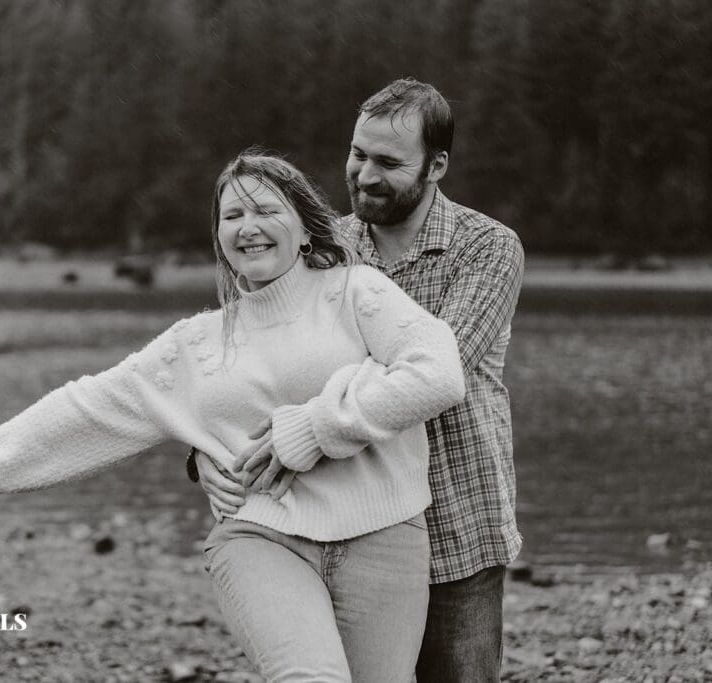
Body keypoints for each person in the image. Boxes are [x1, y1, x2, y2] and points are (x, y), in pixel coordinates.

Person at [0, 151, 467, 682]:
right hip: (261, 535)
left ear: (305, 229)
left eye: (267, 211)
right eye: (233, 215)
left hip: (384, 535)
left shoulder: (356, 292)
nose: (249, 226)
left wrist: (315, 428)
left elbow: (439, 373)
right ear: (219, 237)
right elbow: (90, 408)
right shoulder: (197, 343)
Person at [194, 79, 525, 682]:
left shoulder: (488, 248)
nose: (365, 175)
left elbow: (434, 372)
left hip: (457, 528)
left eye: (389, 163)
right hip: (344, 528)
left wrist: (307, 422)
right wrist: (205, 449)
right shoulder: (325, 246)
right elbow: (254, 361)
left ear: (436, 166)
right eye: (357, 154)